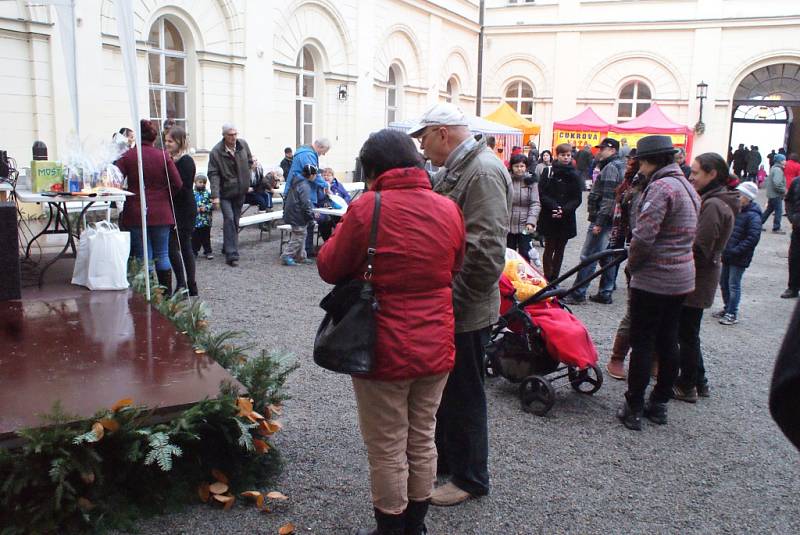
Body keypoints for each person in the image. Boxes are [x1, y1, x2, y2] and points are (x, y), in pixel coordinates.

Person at [318, 129, 465, 535]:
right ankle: (415, 525)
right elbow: (454, 265)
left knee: (386, 445)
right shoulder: (449, 208)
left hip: (381, 345)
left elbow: (329, 266)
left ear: (373, 169)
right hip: (436, 342)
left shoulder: (367, 208)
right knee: (422, 436)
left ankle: (390, 528)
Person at [410, 103, 511, 506]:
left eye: (423, 137)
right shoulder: (465, 167)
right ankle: (450, 463)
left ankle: (471, 478)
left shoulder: (482, 171)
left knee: (465, 392)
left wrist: (451, 303)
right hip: (456, 302)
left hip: (464, 307)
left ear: (442, 133)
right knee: (450, 390)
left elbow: (486, 252)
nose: (421, 147)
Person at [617, 135, 700, 431]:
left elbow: (644, 236)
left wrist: (632, 266)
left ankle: (634, 405)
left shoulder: (661, 188)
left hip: (654, 278)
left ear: (649, 160)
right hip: (681, 277)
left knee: (642, 343)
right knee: (668, 340)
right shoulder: (686, 186)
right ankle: (659, 403)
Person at [673, 153, 739, 403]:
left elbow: (700, 247)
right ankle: (699, 381)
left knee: (686, 333)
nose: (691, 176)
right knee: (690, 331)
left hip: (696, 278)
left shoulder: (713, 204)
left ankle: (686, 384)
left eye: (697, 172)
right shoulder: (718, 199)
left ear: (712, 174)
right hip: (700, 276)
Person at [115, 119, 182, 292]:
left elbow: (114, 179)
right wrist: (164, 196)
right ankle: (166, 296)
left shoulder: (128, 156)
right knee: (162, 253)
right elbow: (177, 183)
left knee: (143, 255)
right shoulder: (162, 155)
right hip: (161, 211)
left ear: (137, 136)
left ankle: (148, 295)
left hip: (136, 210)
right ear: (154, 137)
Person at [562, 137, 626, 305]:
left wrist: (599, 221)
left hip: (604, 219)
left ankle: (578, 293)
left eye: (603, 149)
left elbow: (608, 198)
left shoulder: (611, 167)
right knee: (607, 257)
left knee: (589, 256)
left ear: (612, 150)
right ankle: (605, 291)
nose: (599, 151)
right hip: (613, 219)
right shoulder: (620, 165)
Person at [606, 150, 647, 380]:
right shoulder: (632, 189)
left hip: (656, 261)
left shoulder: (665, 186)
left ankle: (651, 359)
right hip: (638, 256)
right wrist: (618, 246)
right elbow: (622, 222)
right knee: (634, 311)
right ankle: (618, 356)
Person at [714, 181, 762, 325]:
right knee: (724, 282)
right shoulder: (736, 211)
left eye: (739, 196)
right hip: (728, 254)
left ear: (747, 198)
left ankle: (732, 313)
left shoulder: (753, 216)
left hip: (739, 257)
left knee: (734, 284)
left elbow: (752, 238)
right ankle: (727, 307)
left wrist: (736, 250)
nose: (737, 199)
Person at [207, 123, 253, 267]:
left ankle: (227, 246)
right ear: (224, 136)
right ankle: (231, 253)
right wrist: (215, 196)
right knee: (229, 219)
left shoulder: (243, 145)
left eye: (235, 134)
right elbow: (213, 174)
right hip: (225, 192)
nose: (233, 137)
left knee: (235, 221)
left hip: (240, 191)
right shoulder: (216, 152)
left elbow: (250, 160)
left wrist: (247, 178)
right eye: (230, 135)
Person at [537, 143, 583, 282]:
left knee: (560, 250)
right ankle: (547, 277)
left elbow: (577, 198)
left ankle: (555, 279)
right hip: (549, 214)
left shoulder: (575, 174)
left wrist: (564, 210)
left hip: (566, 217)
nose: (566, 158)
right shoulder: (548, 171)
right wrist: (554, 207)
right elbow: (542, 193)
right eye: (563, 155)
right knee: (549, 247)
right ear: (557, 155)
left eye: (568, 155)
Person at [164, 126, 198, 296]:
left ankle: (188, 284)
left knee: (182, 246)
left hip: (184, 208)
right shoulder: (170, 159)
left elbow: (183, 188)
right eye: (166, 140)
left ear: (179, 142)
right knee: (176, 247)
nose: (167, 143)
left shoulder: (186, 161)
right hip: (175, 207)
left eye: (170, 141)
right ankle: (185, 283)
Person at [285, 138, 331, 257]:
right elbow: (312, 174)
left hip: (297, 196)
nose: (324, 154)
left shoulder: (304, 152)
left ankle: (304, 253)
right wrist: (325, 184)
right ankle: (294, 254)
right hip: (301, 198)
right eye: (324, 151)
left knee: (306, 227)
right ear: (319, 147)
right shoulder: (308, 155)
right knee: (304, 226)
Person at [506, 154, 540, 263]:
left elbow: (535, 203)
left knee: (525, 254)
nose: (519, 169)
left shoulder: (531, 182)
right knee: (508, 254)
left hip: (525, 225)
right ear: (511, 167)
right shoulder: (506, 181)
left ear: (526, 167)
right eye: (516, 166)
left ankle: (524, 278)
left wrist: (531, 222)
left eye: (522, 166)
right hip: (508, 224)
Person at [281, 164, 317, 266]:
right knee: (298, 236)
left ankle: (300, 256)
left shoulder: (297, 181)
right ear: (311, 175)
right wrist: (310, 217)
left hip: (293, 213)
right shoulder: (304, 185)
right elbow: (306, 203)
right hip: (298, 215)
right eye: (315, 175)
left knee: (302, 234)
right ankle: (287, 255)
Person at [317, 167, 351, 241]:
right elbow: (318, 200)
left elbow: (347, 196)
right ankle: (327, 242)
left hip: (338, 212)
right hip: (324, 212)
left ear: (333, 177)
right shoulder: (319, 187)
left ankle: (338, 241)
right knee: (324, 221)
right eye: (324, 175)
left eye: (328, 175)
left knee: (343, 221)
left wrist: (343, 203)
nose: (326, 177)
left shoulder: (338, 186)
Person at [782, 170, 800, 298]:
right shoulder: (797, 182)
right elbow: (788, 200)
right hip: (798, 226)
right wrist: (792, 217)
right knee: (795, 258)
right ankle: (792, 288)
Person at [762, 153, 786, 234]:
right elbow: (777, 183)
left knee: (769, 210)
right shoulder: (778, 170)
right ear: (780, 161)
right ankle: (776, 228)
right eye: (783, 160)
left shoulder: (774, 168)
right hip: (776, 194)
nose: (785, 161)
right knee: (779, 211)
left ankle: (759, 223)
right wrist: (783, 190)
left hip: (772, 194)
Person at [192, 175, 214, 259]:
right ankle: (194, 252)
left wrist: (206, 208)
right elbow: (189, 205)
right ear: (195, 182)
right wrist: (194, 209)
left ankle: (208, 251)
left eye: (204, 183)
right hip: (196, 220)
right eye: (200, 182)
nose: (202, 184)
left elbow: (213, 204)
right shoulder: (192, 194)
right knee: (195, 237)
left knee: (206, 237)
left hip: (206, 220)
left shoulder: (208, 193)